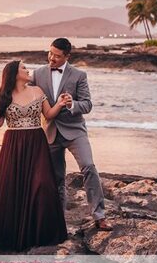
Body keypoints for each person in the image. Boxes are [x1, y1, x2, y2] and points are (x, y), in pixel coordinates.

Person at [0, 60, 68, 251]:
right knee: (13, 186)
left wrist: (60, 103)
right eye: (23, 68)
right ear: (13, 73)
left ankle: (40, 233)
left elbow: (49, 114)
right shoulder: (4, 96)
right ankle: (13, 234)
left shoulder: (37, 91)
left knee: (42, 184)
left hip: (37, 141)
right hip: (14, 145)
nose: (27, 70)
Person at [31, 37, 111, 230]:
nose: (51, 58)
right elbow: (22, 93)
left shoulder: (79, 75)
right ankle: (58, 218)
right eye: (50, 53)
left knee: (89, 167)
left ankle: (99, 215)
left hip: (75, 131)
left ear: (67, 56)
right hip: (49, 131)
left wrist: (72, 104)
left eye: (57, 56)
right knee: (56, 178)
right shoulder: (38, 73)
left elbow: (87, 104)